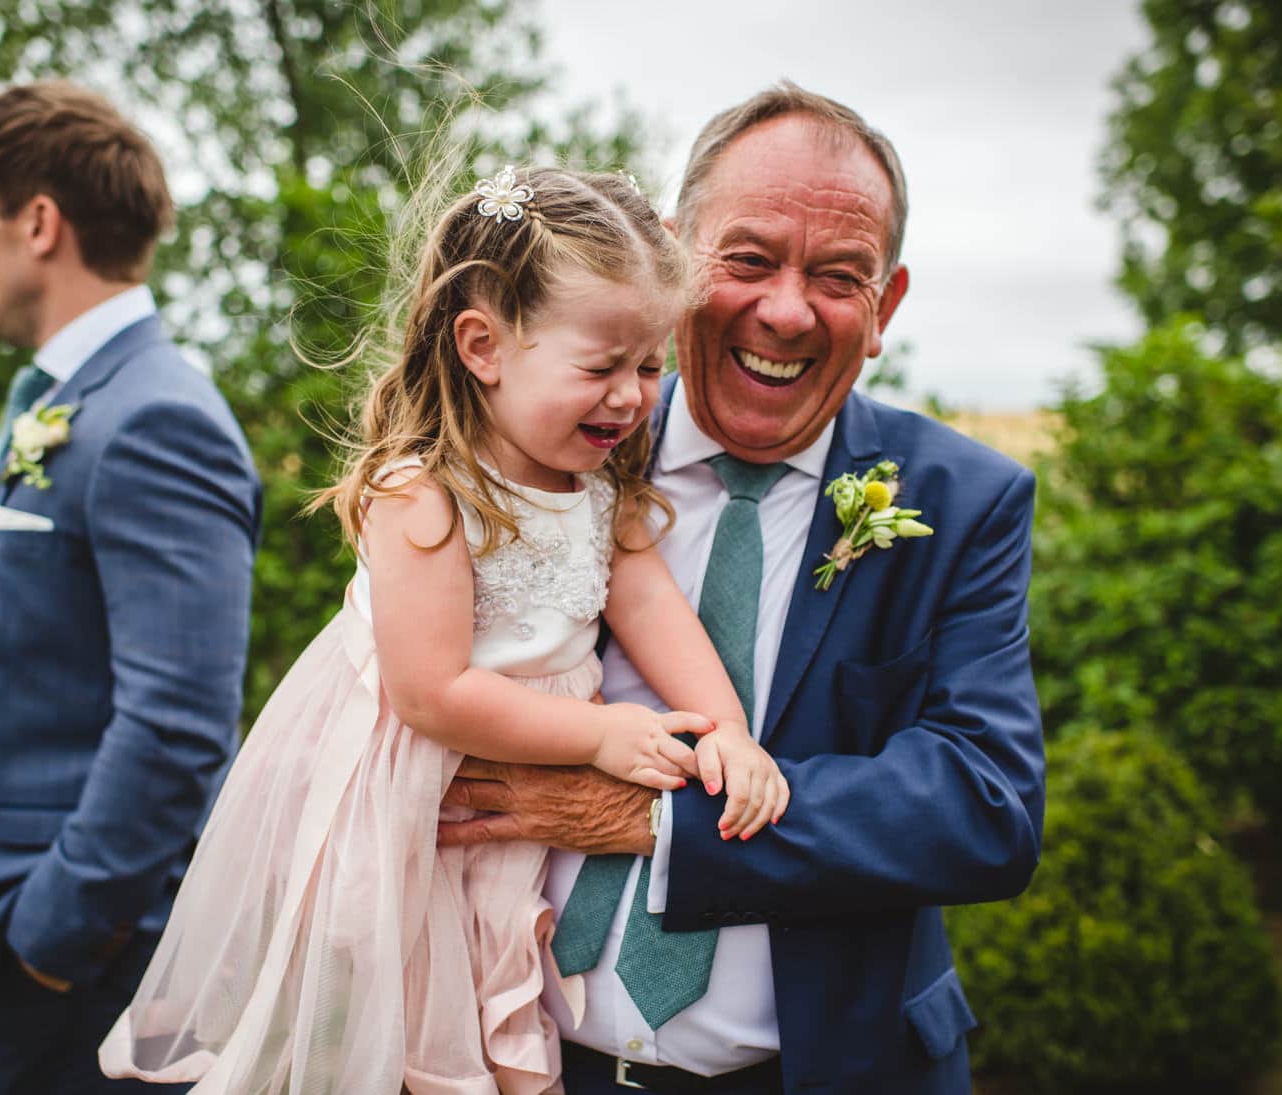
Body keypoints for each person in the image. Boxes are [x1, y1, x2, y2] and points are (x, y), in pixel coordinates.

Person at [98, 165, 788, 1094]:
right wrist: (602, 734)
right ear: (483, 344)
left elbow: (654, 607)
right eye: (599, 367)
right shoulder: (423, 492)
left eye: (649, 365)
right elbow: (431, 694)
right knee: (410, 1035)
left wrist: (727, 731)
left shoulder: (597, 488)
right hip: (420, 805)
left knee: (497, 1003)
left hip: (516, 802)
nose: (629, 398)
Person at [438, 84, 1047, 1094]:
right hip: (515, 1059)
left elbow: (983, 806)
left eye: (839, 276)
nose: (784, 310)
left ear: (884, 307)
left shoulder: (961, 501)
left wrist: (658, 819)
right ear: (672, 264)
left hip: (815, 1070)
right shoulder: (542, 447)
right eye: (749, 259)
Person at [0, 82, 261, 1095]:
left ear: (37, 223)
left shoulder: (157, 419)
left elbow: (178, 724)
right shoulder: (58, 396)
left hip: (65, 968)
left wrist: (47, 941)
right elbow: (70, 646)